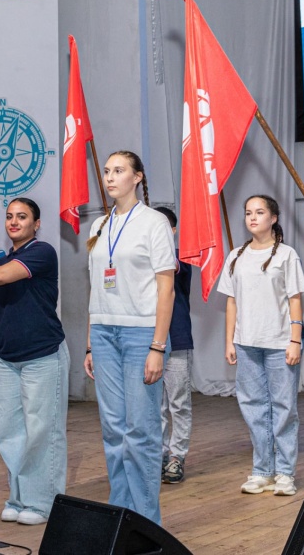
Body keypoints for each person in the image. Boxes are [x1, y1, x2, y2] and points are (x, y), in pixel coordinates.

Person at [0, 198, 69, 526]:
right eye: (9, 216)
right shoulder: (1, 259)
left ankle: (42, 503)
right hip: (7, 357)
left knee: (42, 431)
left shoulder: (42, 252)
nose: (14, 221)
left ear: (36, 224)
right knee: (10, 432)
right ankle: (18, 498)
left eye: (22, 217)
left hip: (42, 356)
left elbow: (2, 277)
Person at [83, 150, 176, 525]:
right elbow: (95, 287)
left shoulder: (154, 222)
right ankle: (119, 517)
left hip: (142, 334)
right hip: (103, 333)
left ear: (137, 177)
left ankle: (145, 523)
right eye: (107, 171)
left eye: (118, 171)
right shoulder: (98, 226)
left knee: (140, 430)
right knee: (113, 430)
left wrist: (157, 346)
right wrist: (90, 342)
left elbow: (166, 288)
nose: (109, 177)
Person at [218, 195, 304, 497]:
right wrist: (229, 340)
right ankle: (262, 470)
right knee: (253, 408)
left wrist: (294, 340)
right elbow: (231, 302)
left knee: (284, 408)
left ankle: (285, 472)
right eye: (248, 213)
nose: (253, 217)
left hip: (280, 342)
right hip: (246, 343)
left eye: (259, 212)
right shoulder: (236, 256)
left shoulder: (286, 254)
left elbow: (295, 299)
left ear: (273, 218)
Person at [154, 206, 194, 484]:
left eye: (162, 227)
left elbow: (169, 265)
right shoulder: (141, 257)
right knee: (154, 404)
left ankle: (177, 456)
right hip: (147, 341)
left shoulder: (180, 258)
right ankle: (157, 454)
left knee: (178, 402)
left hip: (177, 339)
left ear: (173, 230)